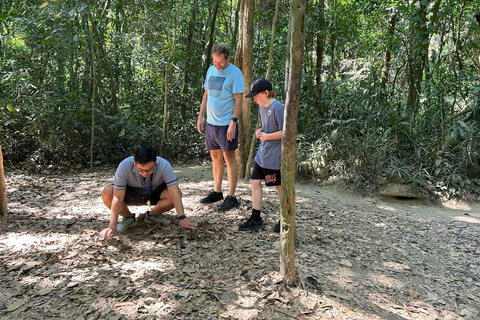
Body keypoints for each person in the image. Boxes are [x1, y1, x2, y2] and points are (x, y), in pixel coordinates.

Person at [98, 146, 197, 238]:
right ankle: (128, 218)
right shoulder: (124, 166)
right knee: (107, 193)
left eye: (150, 169)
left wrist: (182, 218)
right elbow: (118, 197)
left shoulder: (164, 165)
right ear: (134, 163)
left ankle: (152, 215)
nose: (145, 173)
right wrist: (112, 225)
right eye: (140, 170)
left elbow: (175, 192)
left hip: (154, 193)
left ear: (155, 162)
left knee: (177, 193)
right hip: (131, 194)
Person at [197, 43, 245, 211]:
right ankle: (217, 191)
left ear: (227, 58)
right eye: (215, 62)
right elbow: (206, 95)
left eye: (220, 62)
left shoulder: (235, 73)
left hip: (226, 124)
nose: (217, 65)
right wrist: (201, 116)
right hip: (211, 123)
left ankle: (231, 196)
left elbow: (239, 100)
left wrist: (234, 122)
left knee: (228, 157)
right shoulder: (211, 70)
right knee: (215, 156)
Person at [238, 79, 284, 232]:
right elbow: (263, 129)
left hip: (274, 156)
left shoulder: (277, 107)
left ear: (266, 93)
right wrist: (260, 133)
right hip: (262, 154)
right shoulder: (262, 108)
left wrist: (266, 136)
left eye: (257, 95)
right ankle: (256, 217)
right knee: (254, 181)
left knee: (279, 187)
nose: (255, 99)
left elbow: (285, 133)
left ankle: (285, 218)